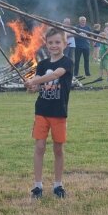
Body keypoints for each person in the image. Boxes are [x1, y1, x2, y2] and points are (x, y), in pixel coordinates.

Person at [24, 28, 73, 199]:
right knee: (39, 147)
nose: (54, 45)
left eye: (57, 42)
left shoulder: (67, 62)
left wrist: (35, 80)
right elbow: (37, 88)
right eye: (50, 42)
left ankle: (58, 184)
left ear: (65, 44)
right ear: (46, 44)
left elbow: (57, 74)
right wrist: (31, 87)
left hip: (59, 112)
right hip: (42, 111)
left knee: (58, 149)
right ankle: (37, 185)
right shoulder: (43, 65)